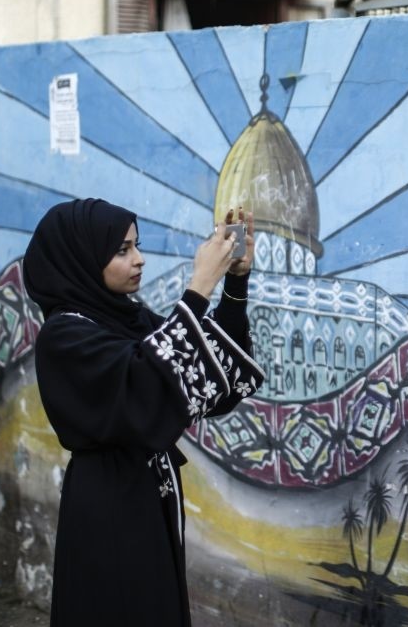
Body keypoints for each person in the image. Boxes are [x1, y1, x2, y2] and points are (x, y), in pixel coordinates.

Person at [22, 198, 265, 627]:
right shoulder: (65, 336)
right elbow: (147, 385)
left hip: (147, 497)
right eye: (122, 250)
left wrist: (234, 283)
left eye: (137, 246)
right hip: (110, 507)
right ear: (81, 260)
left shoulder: (128, 319)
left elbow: (205, 376)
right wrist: (198, 287)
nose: (139, 259)